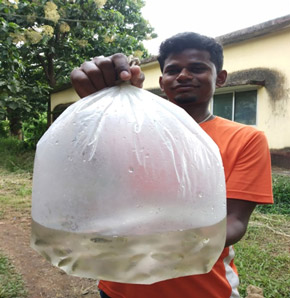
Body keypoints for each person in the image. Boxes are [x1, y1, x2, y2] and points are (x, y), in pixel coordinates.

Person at [70, 32, 273, 298]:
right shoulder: (127, 130)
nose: (183, 75)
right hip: (119, 286)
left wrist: (159, 237)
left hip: (201, 290)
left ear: (220, 78)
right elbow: (89, 179)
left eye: (197, 68)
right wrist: (104, 104)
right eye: (173, 70)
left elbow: (234, 221)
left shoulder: (245, 139)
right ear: (162, 82)